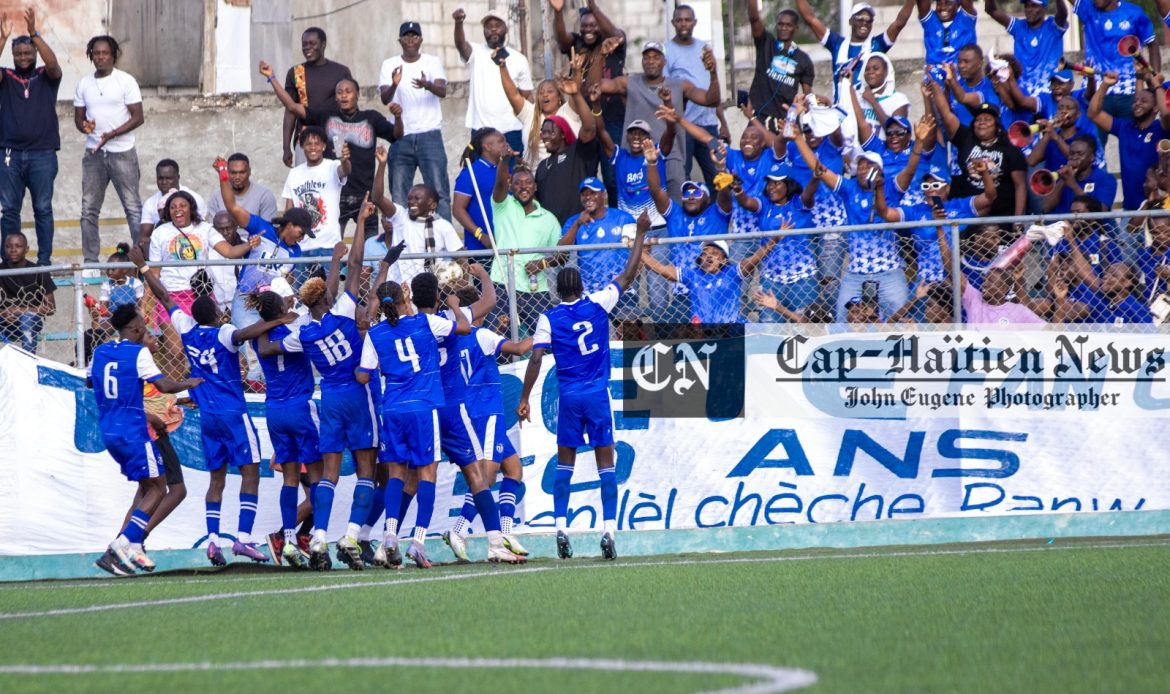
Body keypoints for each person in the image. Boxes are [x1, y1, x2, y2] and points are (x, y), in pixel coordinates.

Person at [131, 245, 290, 566]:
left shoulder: (187, 330)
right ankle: (243, 539)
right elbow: (247, 332)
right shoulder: (225, 333)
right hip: (233, 413)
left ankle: (214, 540)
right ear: (217, 313)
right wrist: (281, 319)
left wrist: (146, 268)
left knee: (216, 479)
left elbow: (164, 297)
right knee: (250, 473)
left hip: (208, 417)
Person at [257, 203, 381, 571]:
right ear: (327, 298)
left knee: (327, 474)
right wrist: (356, 226)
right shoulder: (343, 309)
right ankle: (352, 536)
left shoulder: (302, 334)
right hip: (357, 394)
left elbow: (270, 347)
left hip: (329, 398)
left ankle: (321, 537)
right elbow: (355, 268)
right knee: (365, 471)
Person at [517, 213, 647, 560]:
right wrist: (641, 234)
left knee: (565, 464)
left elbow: (535, 358)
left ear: (559, 290)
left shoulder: (548, 318)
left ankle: (560, 526)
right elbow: (629, 273)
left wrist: (525, 397)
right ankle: (608, 530)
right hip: (596, 394)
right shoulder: (598, 303)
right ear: (582, 286)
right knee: (606, 462)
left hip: (569, 397)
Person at [89, 304, 202, 576]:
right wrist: (190, 383)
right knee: (158, 489)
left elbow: (90, 383)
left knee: (149, 487)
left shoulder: (101, 351)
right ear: (136, 328)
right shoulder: (138, 352)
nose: (146, 330)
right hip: (134, 430)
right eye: (143, 326)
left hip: (109, 429)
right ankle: (122, 544)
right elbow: (163, 386)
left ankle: (132, 545)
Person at [442, 284, 533, 560]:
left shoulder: (452, 337)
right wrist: (541, 334)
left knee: (514, 469)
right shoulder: (481, 334)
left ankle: (504, 532)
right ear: (478, 312)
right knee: (488, 476)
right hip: (486, 413)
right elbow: (518, 348)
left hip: (475, 410)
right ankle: (458, 529)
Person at [260, 61, 402, 232]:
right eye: (339, 92)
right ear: (335, 97)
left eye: (348, 92)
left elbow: (397, 135)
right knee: (335, 246)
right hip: (335, 195)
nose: (343, 95)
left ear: (358, 95)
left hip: (365, 195)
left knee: (369, 249)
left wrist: (398, 117)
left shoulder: (371, 118)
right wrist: (271, 77)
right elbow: (292, 106)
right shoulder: (326, 116)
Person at [147, 190, 259, 379]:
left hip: (201, 296)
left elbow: (230, 251)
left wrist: (249, 245)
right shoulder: (160, 232)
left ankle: (210, 386)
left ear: (191, 208)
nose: (178, 210)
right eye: (173, 207)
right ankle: (176, 398)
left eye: (182, 206)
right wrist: (145, 304)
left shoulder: (204, 228)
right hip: (171, 297)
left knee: (210, 347)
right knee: (176, 353)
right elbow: (154, 274)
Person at [598, 41, 720, 198]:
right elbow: (596, 86)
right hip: (636, 157)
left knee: (675, 207)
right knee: (638, 208)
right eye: (647, 57)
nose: (651, 61)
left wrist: (713, 73)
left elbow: (711, 100)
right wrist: (601, 56)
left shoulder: (679, 85)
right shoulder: (629, 82)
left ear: (664, 61)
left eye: (656, 57)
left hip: (671, 158)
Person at [251, 290, 319, 568]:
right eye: (285, 301)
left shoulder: (259, 337)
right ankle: (314, 540)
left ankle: (290, 539)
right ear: (280, 309)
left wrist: (277, 317)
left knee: (290, 480)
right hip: (300, 408)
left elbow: (263, 338)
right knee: (321, 480)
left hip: (275, 411)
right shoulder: (297, 328)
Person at [643, 139, 733, 321]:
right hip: (682, 293)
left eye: (697, 193)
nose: (691, 197)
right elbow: (655, 191)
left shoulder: (716, 213)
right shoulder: (675, 214)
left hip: (711, 291)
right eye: (686, 193)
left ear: (707, 199)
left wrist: (721, 168)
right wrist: (652, 163)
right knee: (666, 334)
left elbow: (724, 195)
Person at [72, 35, 143, 265]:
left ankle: (140, 260)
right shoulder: (83, 84)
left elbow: (138, 117)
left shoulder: (126, 81)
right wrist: (86, 127)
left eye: (105, 53)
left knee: (133, 208)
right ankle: (91, 261)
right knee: (89, 210)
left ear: (113, 55)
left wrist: (112, 134)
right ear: (90, 55)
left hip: (123, 152)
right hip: (94, 155)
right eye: (96, 53)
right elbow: (79, 120)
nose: (100, 57)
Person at [0, 9, 62, 265]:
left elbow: (53, 64)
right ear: (12, 56)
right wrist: (3, 40)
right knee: (10, 211)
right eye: (18, 54)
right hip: (9, 154)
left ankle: (44, 262)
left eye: (27, 53)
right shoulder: (6, 76)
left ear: (34, 53)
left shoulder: (45, 77)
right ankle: (8, 262)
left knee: (43, 209)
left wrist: (34, 34)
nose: (23, 57)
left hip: (43, 154)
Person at [551, 0, 626, 201]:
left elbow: (614, 32)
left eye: (593, 25)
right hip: (584, 122)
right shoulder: (578, 43)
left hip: (612, 121)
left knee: (612, 177)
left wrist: (593, 6)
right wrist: (557, 13)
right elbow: (561, 38)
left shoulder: (615, 43)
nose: (588, 29)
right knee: (585, 177)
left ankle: (616, 219)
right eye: (584, 25)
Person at [379, 22, 451, 223]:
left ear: (421, 40)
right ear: (400, 40)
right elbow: (385, 98)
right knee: (400, 197)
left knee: (439, 194)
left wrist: (426, 84)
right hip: (401, 136)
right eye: (406, 36)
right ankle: (403, 247)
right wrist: (395, 83)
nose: (410, 40)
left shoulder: (432, 61)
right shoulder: (389, 64)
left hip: (430, 135)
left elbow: (443, 90)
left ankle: (445, 249)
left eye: (414, 36)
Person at [489, 155, 565, 336]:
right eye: (517, 183)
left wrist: (541, 264)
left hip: (535, 290)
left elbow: (562, 256)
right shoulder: (503, 206)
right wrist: (504, 160)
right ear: (510, 186)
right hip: (502, 284)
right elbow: (499, 183)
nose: (523, 187)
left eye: (528, 182)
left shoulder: (549, 219)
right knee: (496, 340)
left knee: (545, 340)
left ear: (535, 186)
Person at [641, 232, 789, 323]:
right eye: (705, 253)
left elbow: (756, 257)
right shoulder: (692, 275)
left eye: (715, 253)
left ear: (724, 260)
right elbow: (660, 269)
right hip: (702, 334)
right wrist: (638, 251)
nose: (708, 256)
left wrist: (774, 240)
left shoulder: (732, 273)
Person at [731, 170, 819, 321]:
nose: (771, 187)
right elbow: (746, 202)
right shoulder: (764, 205)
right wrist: (738, 190)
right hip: (771, 279)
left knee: (805, 327)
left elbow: (808, 195)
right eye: (769, 183)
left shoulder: (798, 203)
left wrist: (816, 178)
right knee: (770, 329)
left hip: (803, 278)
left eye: (776, 183)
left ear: (788, 184)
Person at [371, 147, 463, 288]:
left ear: (432, 205)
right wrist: (382, 165)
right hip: (401, 288)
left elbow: (462, 255)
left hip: (431, 291)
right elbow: (377, 199)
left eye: (417, 199)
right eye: (409, 198)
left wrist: (462, 284)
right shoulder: (400, 216)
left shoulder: (443, 226)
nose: (411, 202)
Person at [928, 93, 1027, 219]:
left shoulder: (1010, 148)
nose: (981, 123)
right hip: (969, 214)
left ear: (997, 125)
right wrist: (935, 82)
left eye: (987, 120)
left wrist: (1018, 220)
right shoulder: (966, 138)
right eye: (978, 120)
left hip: (1001, 215)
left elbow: (1020, 185)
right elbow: (946, 115)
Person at [794, 0, 914, 100]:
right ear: (851, 21)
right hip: (841, 116)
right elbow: (810, 19)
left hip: (866, 114)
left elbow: (899, 23)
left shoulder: (877, 45)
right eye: (860, 18)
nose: (864, 23)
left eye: (869, 20)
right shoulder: (837, 44)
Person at [1087, 71, 1169, 213]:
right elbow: (1093, 113)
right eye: (1135, 100)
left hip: (1159, 210)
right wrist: (1105, 84)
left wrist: (1156, 84)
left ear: (1155, 107)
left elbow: (1167, 113)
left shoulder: (1162, 128)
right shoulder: (1124, 127)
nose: (1137, 104)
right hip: (1130, 211)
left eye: (1144, 101)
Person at [454, 8, 533, 154]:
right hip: (482, 131)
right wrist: (459, 23)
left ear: (506, 29)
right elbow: (461, 45)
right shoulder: (475, 53)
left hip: (512, 130)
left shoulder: (519, 59)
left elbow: (527, 97)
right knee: (483, 175)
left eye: (497, 25)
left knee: (512, 175)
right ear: (484, 31)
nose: (493, 29)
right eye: (489, 26)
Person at [665, 5, 727, 189]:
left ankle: (718, 216)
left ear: (695, 22)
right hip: (683, 125)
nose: (683, 24)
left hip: (709, 125)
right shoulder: (666, 50)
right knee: (682, 176)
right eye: (679, 20)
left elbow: (713, 89)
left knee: (718, 174)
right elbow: (663, 87)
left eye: (687, 19)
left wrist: (722, 122)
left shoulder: (704, 49)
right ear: (673, 23)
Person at [936, 225, 1046, 325]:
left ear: (1003, 287)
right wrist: (940, 228)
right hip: (972, 333)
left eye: (990, 281)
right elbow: (950, 267)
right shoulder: (974, 299)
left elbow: (1026, 311)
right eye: (993, 238)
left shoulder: (1015, 309)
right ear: (978, 239)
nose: (985, 284)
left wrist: (1019, 279)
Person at [281, 125, 350, 283]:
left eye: (317, 143)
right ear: (302, 146)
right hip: (302, 247)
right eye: (308, 143)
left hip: (328, 245)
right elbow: (289, 211)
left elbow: (345, 171)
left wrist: (344, 160)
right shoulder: (294, 173)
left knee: (328, 295)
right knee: (299, 298)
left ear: (324, 146)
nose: (313, 147)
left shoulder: (332, 166)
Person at [280, 27, 353, 168]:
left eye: (312, 43)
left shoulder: (341, 71)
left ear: (323, 44)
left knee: (339, 180)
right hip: (306, 138)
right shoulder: (296, 73)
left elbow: (350, 108)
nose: (308, 48)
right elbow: (290, 111)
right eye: (304, 44)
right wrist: (286, 147)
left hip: (337, 135)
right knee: (307, 182)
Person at [1074, 0, 1158, 121]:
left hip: (1129, 90)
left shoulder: (1134, 12)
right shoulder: (1088, 8)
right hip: (1097, 90)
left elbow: (1152, 44)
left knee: (1131, 137)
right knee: (1093, 139)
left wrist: (1155, 82)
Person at [535, 84, 601, 226]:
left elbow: (589, 127)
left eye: (551, 132)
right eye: (543, 132)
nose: (545, 136)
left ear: (563, 133)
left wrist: (576, 94)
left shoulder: (577, 152)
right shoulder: (542, 166)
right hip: (554, 236)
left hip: (582, 227)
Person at [502, 56, 583, 170]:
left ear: (559, 96)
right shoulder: (530, 113)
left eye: (550, 91)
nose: (545, 95)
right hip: (535, 180)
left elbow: (576, 90)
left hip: (566, 174)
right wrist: (502, 68)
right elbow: (513, 95)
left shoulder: (568, 111)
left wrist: (576, 71)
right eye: (541, 92)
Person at [745, 1, 814, 128]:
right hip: (759, 117)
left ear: (796, 28)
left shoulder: (803, 60)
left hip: (785, 121)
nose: (783, 28)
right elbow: (754, 19)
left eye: (788, 25)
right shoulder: (765, 43)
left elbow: (807, 97)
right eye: (780, 24)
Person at [985, 0, 1068, 97]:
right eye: (1026, 6)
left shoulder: (1053, 28)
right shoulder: (1019, 27)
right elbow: (991, 10)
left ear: (1044, 8)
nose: (1029, 9)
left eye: (1034, 6)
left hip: (1049, 95)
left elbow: (1063, 13)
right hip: (1022, 96)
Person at [454, 127, 512, 253]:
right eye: (501, 141)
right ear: (488, 146)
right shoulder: (469, 173)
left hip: (507, 245)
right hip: (481, 248)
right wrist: (481, 235)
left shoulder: (507, 169)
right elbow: (458, 210)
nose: (506, 144)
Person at [0, 230, 54, 353]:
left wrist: (19, 311)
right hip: (4, 321)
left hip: (30, 321)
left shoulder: (38, 271)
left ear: (27, 249)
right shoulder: (1, 270)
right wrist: (4, 313)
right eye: (9, 246)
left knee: (27, 318)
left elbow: (51, 308)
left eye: (18, 246)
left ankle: (28, 361)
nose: (13, 250)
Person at [1040, 135, 1117, 213]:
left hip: (1093, 225)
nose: (1074, 157)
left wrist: (1074, 186)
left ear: (1092, 157)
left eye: (1080, 154)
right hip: (1065, 224)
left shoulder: (1105, 179)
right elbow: (1046, 207)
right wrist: (1063, 180)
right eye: (1071, 153)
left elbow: (1101, 212)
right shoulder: (1063, 177)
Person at [140, 159, 206, 244]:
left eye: (168, 178)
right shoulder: (150, 203)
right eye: (160, 178)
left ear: (178, 177)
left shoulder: (194, 198)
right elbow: (144, 238)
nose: (164, 182)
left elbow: (201, 230)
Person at [206, 153, 278, 222]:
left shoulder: (264, 195)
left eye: (242, 172)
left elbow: (268, 229)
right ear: (227, 172)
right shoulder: (216, 196)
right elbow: (213, 229)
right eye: (233, 173)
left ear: (249, 172)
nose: (237, 177)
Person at [918, 0, 978, 65]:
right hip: (934, 72)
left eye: (948, 3)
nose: (943, 7)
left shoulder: (966, 20)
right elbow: (922, 2)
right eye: (939, 3)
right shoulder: (930, 21)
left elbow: (967, 3)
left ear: (958, 5)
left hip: (962, 72)